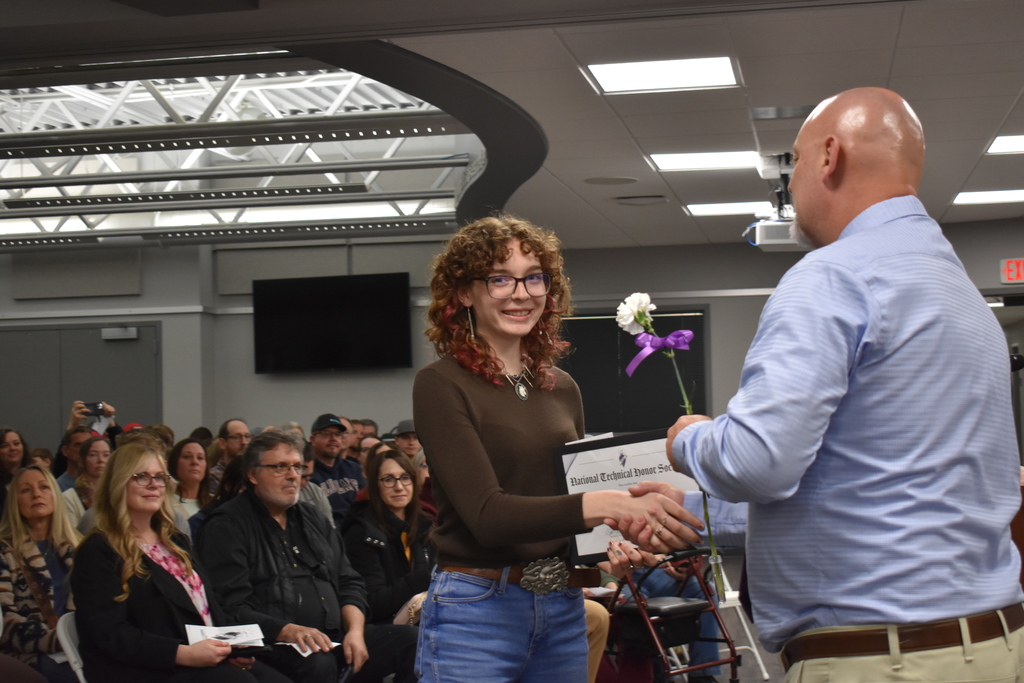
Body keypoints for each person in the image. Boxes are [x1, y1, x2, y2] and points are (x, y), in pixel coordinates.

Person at [639, 88, 1024, 682]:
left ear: (828, 157)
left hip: (883, 661)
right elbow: (876, 486)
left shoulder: (831, 276)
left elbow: (759, 462)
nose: (789, 191)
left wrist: (689, 440)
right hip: (994, 644)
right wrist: (692, 510)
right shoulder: (963, 293)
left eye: (792, 166)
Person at [412, 214, 702, 683]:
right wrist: (611, 504)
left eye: (533, 278)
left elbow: (564, 508)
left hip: (564, 606)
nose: (521, 293)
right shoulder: (440, 384)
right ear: (464, 293)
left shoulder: (561, 387)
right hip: (477, 610)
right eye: (500, 279)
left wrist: (610, 545)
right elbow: (488, 516)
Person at [197, 429, 417, 683]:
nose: (293, 476)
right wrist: (288, 631)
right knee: (317, 662)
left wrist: (356, 633)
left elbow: (349, 582)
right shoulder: (227, 525)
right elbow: (230, 607)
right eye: (280, 467)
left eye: (297, 467)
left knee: (413, 642)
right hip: (273, 643)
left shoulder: (312, 517)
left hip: (335, 636)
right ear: (252, 474)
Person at [71, 441, 289, 683]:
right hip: (144, 667)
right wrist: (183, 654)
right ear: (118, 482)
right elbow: (109, 634)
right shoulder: (98, 550)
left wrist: (231, 648)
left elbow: (208, 605)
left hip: (197, 658)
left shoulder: (175, 540)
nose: (154, 485)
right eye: (141, 477)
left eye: (159, 477)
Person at [0, 465, 79, 683]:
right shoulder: (4, 551)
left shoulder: (79, 547)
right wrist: (56, 640)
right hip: (31, 653)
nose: (36, 494)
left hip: (81, 645)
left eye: (44, 487)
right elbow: (5, 619)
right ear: (14, 500)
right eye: (26, 490)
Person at [340, 446, 434, 624]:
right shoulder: (361, 533)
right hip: (383, 628)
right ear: (375, 486)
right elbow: (373, 604)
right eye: (388, 480)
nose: (399, 487)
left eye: (405, 478)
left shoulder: (424, 525)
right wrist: (424, 577)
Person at [308, 413, 365, 524]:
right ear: (313, 439)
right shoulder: (308, 473)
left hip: (357, 531)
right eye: (326, 434)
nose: (333, 439)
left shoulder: (353, 469)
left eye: (338, 434)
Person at [61, 436, 111, 529]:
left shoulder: (117, 494)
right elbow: (71, 535)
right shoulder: (69, 498)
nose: (101, 460)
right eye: (93, 455)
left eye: (106, 455)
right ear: (81, 461)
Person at [167, 439, 212, 518]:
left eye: (200, 458)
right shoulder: (165, 503)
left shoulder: (214, 503)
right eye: (187, 457)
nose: (195, 462)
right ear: (174, 463)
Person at [207, 419, 251, 495]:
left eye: (247, 436)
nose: (244, 442)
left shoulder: (253, 474)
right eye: (237, 437)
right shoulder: (213, 477)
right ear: (223, 443)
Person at [53, 428, 92, 493]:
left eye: (88, 445)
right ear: (65, 450)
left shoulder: (103, 485)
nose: (83, 449)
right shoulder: (56, 488)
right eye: (78, 445)